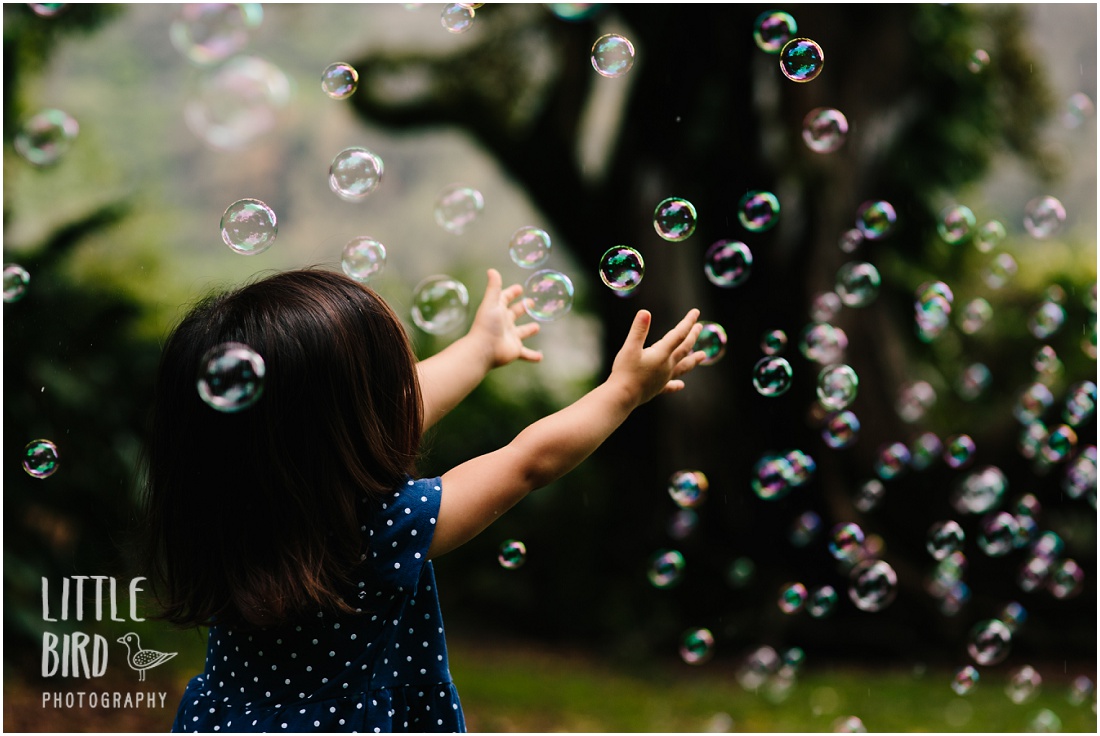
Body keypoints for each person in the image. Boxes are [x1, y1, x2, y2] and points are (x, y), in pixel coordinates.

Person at [139, 266, 704, 733]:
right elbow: (528, 463)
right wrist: (624, 392)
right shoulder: (380, 530)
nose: (404, 394)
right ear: (339, 435)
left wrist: (480, 349)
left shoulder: (224, 509)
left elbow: (385, 416)